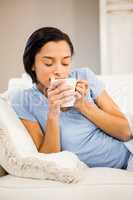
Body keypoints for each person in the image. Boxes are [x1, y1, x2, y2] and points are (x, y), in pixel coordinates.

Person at [10, 27, 132, 169]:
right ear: (32, 64)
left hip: (128, 156)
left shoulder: (83, 76)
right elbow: (47, 160)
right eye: (48, 63)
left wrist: (82, 105)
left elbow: (125, 132)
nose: (59, 71)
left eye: (65, 63)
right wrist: (53, 113)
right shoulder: (24, 100)